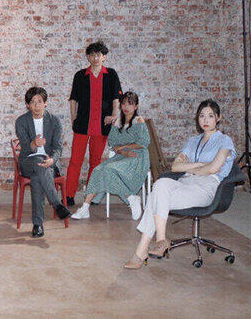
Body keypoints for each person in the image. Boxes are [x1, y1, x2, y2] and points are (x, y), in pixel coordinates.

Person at [124, 99, 236, 269]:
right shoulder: (193, 141)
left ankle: (141, 252)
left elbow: (213, 169)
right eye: (202, 116)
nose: (205, 120)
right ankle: (161, 240)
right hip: (186, 182)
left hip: (206, 188)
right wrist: (198, 165)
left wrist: (193, 167)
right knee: (160, 185)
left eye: (210, 116)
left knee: (155, 197)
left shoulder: (224, 141)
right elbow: (175, 167)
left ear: (218, 118)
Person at [71, 91, 151, 221]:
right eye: (124, 103)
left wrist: (124, 148)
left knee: (108, 170)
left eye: (130, 104)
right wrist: (123, 152)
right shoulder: (117, 122)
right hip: (122, 156)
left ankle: (131, 198)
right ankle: (85, 208)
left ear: (136, 106)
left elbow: (144, 142)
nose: (126, 107)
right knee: (98, 170)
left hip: (137, 157)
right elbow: (113, 143)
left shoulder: (138, 120)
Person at [67, 41, 122, 206]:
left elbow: (116, 98)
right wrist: (73, 117)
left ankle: (89, 197)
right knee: (75, 160)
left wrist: (114, 115)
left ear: (104, 57)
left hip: (102, 125)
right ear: (88, 57)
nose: (95, 58)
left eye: (99, 55)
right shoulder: (80, 75)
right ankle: (68, 195)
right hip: (82, 124)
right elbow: (73, 99)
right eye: (92, 55)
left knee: (95, 162)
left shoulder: (111, 74)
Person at [14, 86, 71, 237]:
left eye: (40, 101)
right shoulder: (21, 121)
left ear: (45, 103)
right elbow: (25, 147)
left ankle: (38, 225)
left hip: (48, 165)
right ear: (28, 105)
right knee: (38, 163)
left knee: (37, 177)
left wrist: (52, 160)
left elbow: (58, 148)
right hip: (28, 162)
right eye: (32, 102)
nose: (36, 105)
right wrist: (34, 144)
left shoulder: (54, 121)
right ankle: (57, 204)